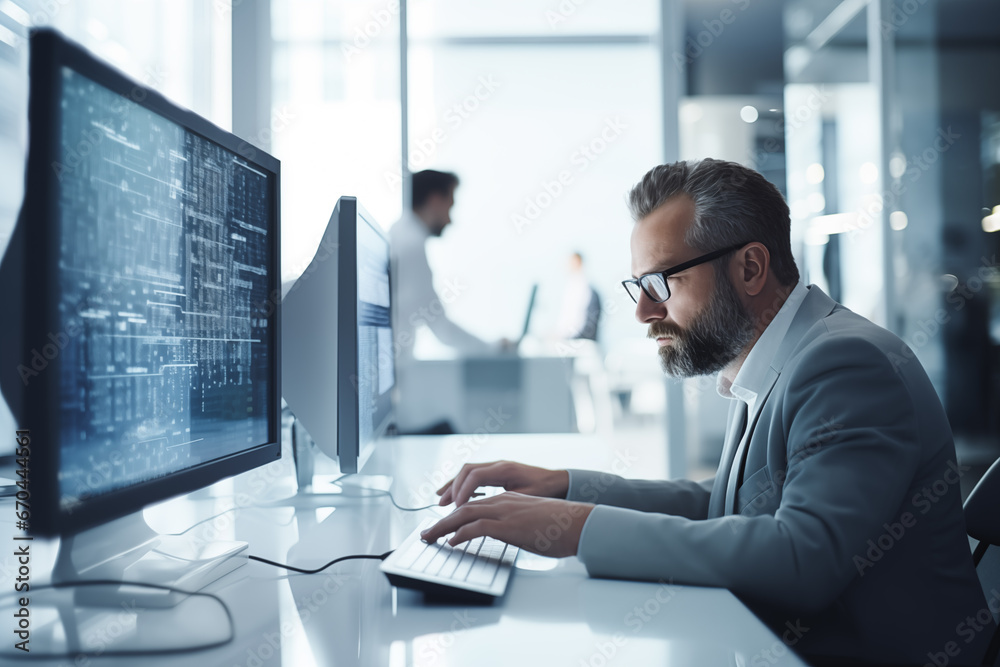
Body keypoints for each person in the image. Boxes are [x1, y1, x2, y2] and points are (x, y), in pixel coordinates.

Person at [420, 159, 994, 665]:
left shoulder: (845, 365)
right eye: (638, 285)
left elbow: (802, 558)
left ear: (749, 268)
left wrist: (576, 530)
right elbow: (730, 505)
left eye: (661, 282)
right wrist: (567, 489)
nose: (645, 311)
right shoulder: (782, 353)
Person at [390, 170, 495, 362]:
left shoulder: (400, 234)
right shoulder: (410, 244)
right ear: (435, 200)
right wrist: (494, 349)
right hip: (398, 369)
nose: (450, 220)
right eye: (450, 206)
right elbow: (441, 327)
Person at [552, 252, 601, 342]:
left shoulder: (582, 287)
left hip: (578, 339)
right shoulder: (571, 285)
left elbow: (577, 318)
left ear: (578, 262)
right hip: (569, 337)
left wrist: (563, 335)